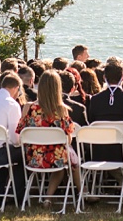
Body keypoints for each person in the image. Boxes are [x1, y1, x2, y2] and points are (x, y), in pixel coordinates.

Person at [16, 70, 79, 200]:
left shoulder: (29, 107)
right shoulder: (62, 109)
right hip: (55, 158)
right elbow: (68, 138)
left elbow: (20, 131)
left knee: (67, 158)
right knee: (69, 160)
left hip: (32, 157)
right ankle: (50, 197)